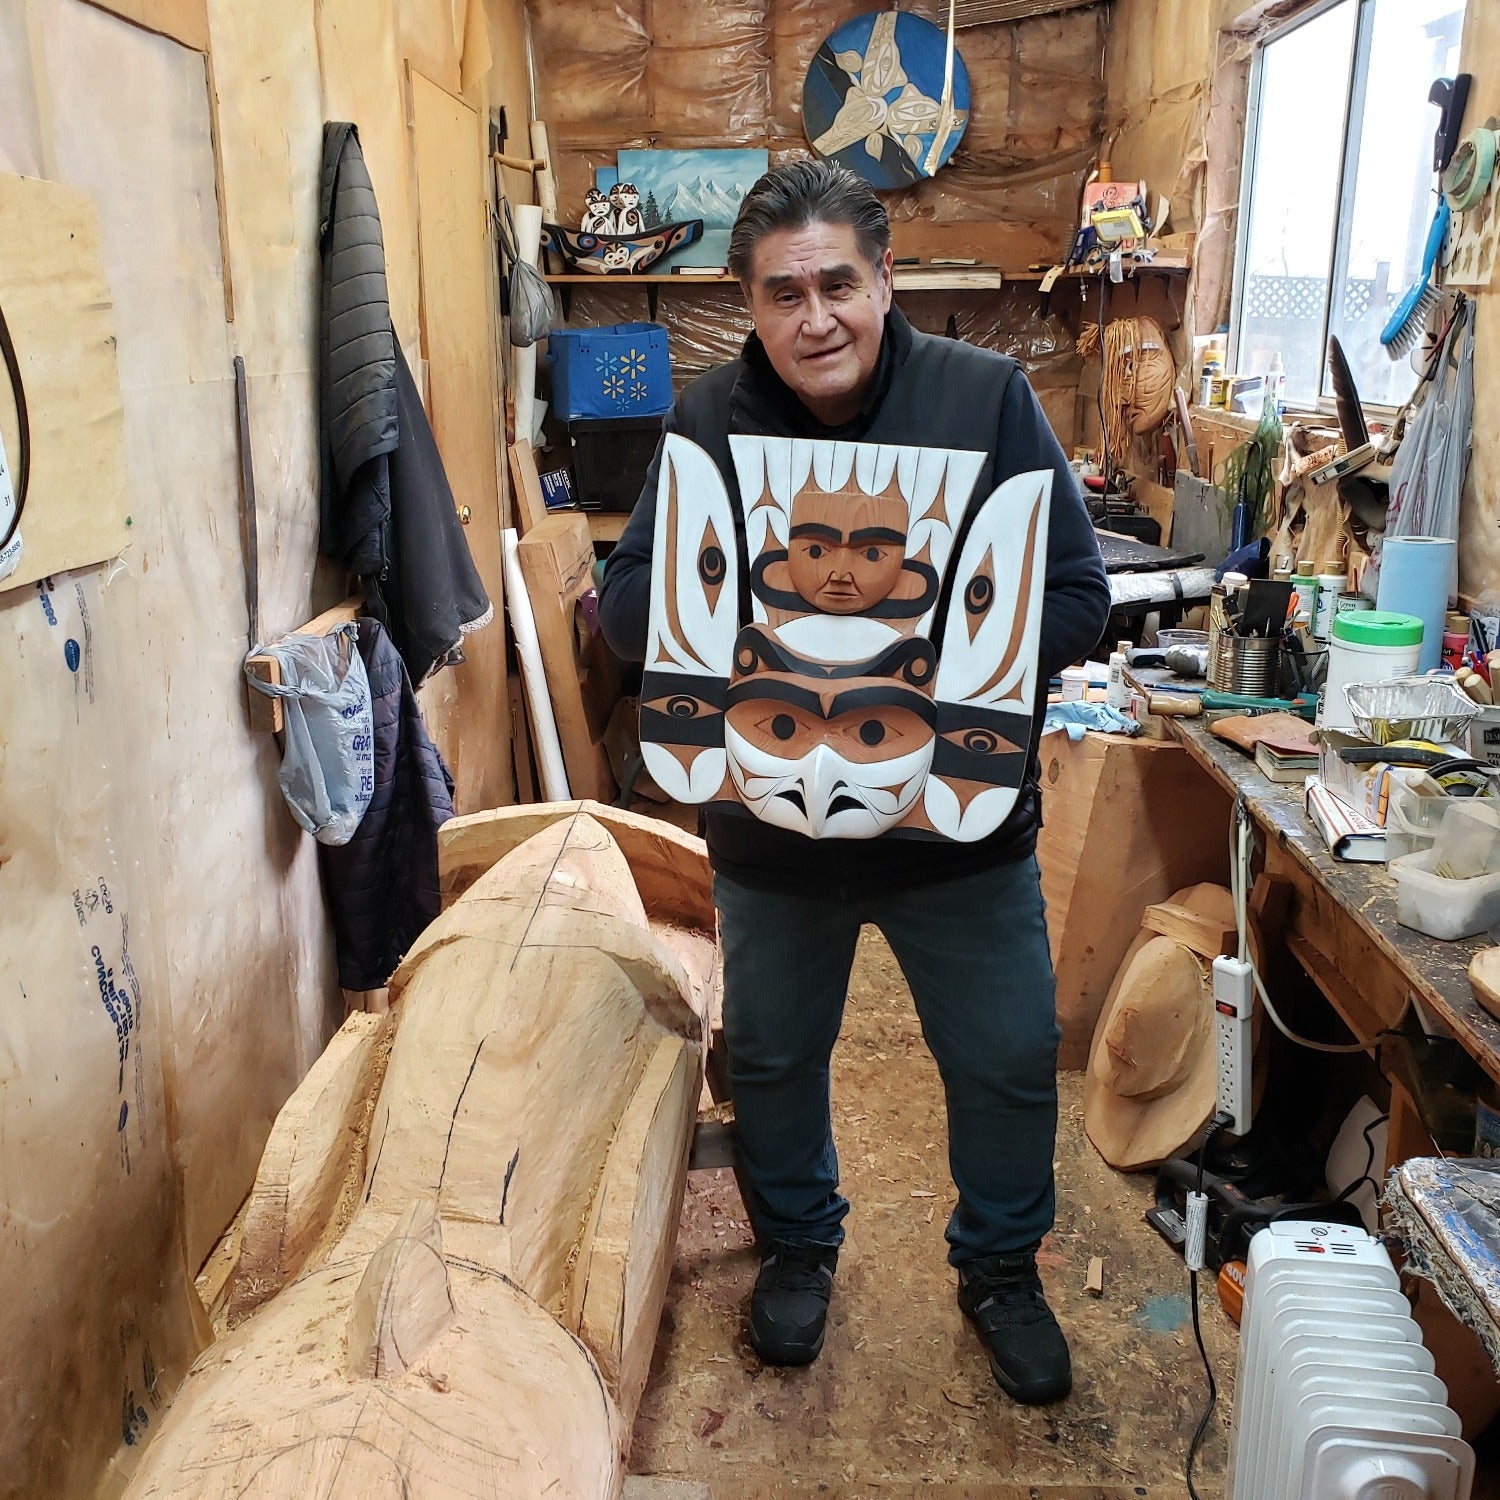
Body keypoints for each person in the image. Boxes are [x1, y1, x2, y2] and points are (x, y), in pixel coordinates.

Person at [599, 160, 1110, 1407]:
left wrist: (932, 640)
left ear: (884, 281)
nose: (814, 316)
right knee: (774, 1059)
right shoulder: (706, 418)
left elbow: (1083, 599)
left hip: (958, 833)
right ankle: (798, 1249)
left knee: (1001, 1057)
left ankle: (999, 1270)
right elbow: (625, 611)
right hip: (774, 835)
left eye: (838, 283)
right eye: (783, 293)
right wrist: (721, 617)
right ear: (753, 306)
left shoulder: (985, 400)